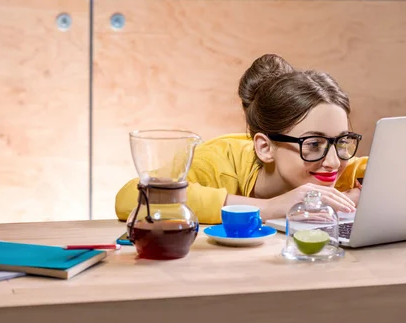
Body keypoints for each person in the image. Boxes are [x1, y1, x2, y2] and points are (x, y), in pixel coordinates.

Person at [115, 54, 368, 224]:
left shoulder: (343, 170)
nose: (334, 163)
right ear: (265, 147)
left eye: (341, 142)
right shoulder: (218, 160)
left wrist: (354, 199)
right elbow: (130, 197)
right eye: (314, 145)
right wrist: (269, 208)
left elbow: (403, 175)